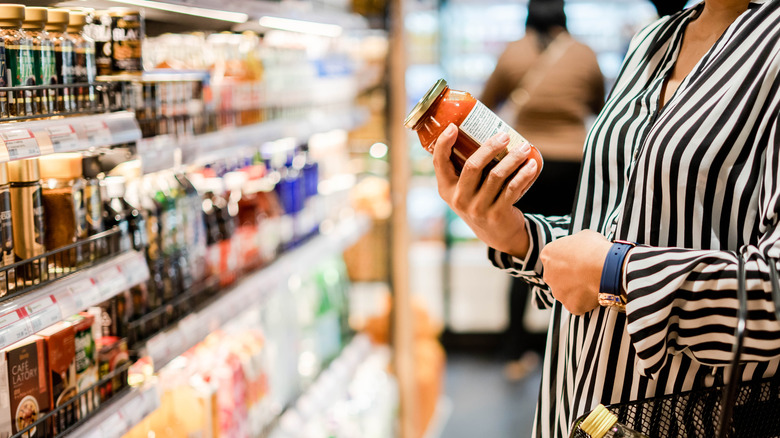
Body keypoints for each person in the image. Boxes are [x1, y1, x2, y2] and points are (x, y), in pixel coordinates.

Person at [429, 1, 780, 437]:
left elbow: (771, 290)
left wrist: (614, 271)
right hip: (577, 407)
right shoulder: (653, 41)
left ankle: (513, 348)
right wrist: (516, 236)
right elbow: (610, 233)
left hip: (689, 414)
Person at [478, 0, 605, 381]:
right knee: (570, 251)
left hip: (524, 165)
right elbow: (599, 104)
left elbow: (486, 107)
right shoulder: (584, 54)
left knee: (522, 251)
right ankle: (569, 354)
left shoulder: (512, 52)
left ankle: (514, 354)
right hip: (574, 166)